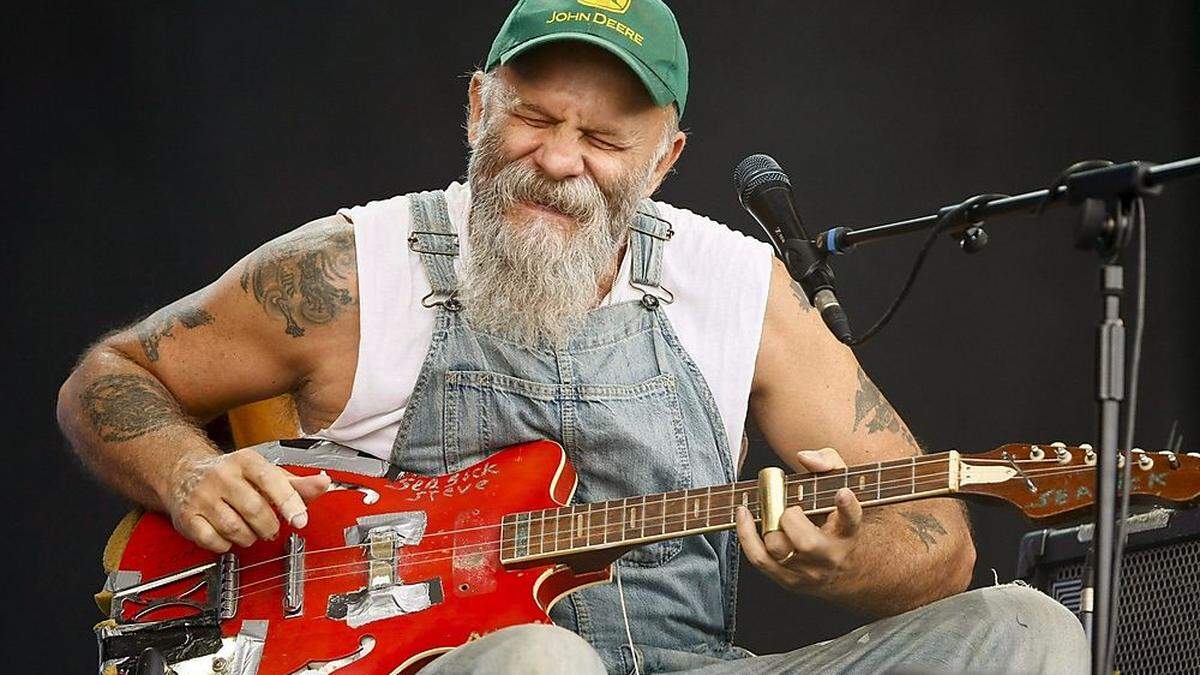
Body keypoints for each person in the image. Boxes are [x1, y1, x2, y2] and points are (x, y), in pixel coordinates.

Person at [57, 1, 1087, 672]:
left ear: (666, 156)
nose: (558, 160)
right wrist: (189, 474)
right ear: (477, 103)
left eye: (602, 138)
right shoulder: (352, 268)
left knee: (1028, 632)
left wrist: (844, 564)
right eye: (533, 119)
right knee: (544, 664)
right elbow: (114, 378)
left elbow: (939, 545)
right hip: (433, 666)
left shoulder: (736, 284)